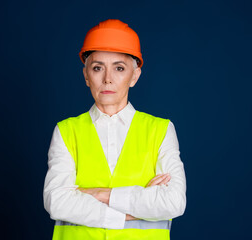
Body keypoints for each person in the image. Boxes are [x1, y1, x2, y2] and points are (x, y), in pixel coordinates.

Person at [43, 19, 186, 240]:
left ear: (135, 76)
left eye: (119, 68)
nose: (107, 79)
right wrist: (129, 211)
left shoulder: (161, 130)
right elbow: (57, 202)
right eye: (98, 68)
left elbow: (173, 202)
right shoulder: (66, 131)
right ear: (86, 76)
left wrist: (99, 194)